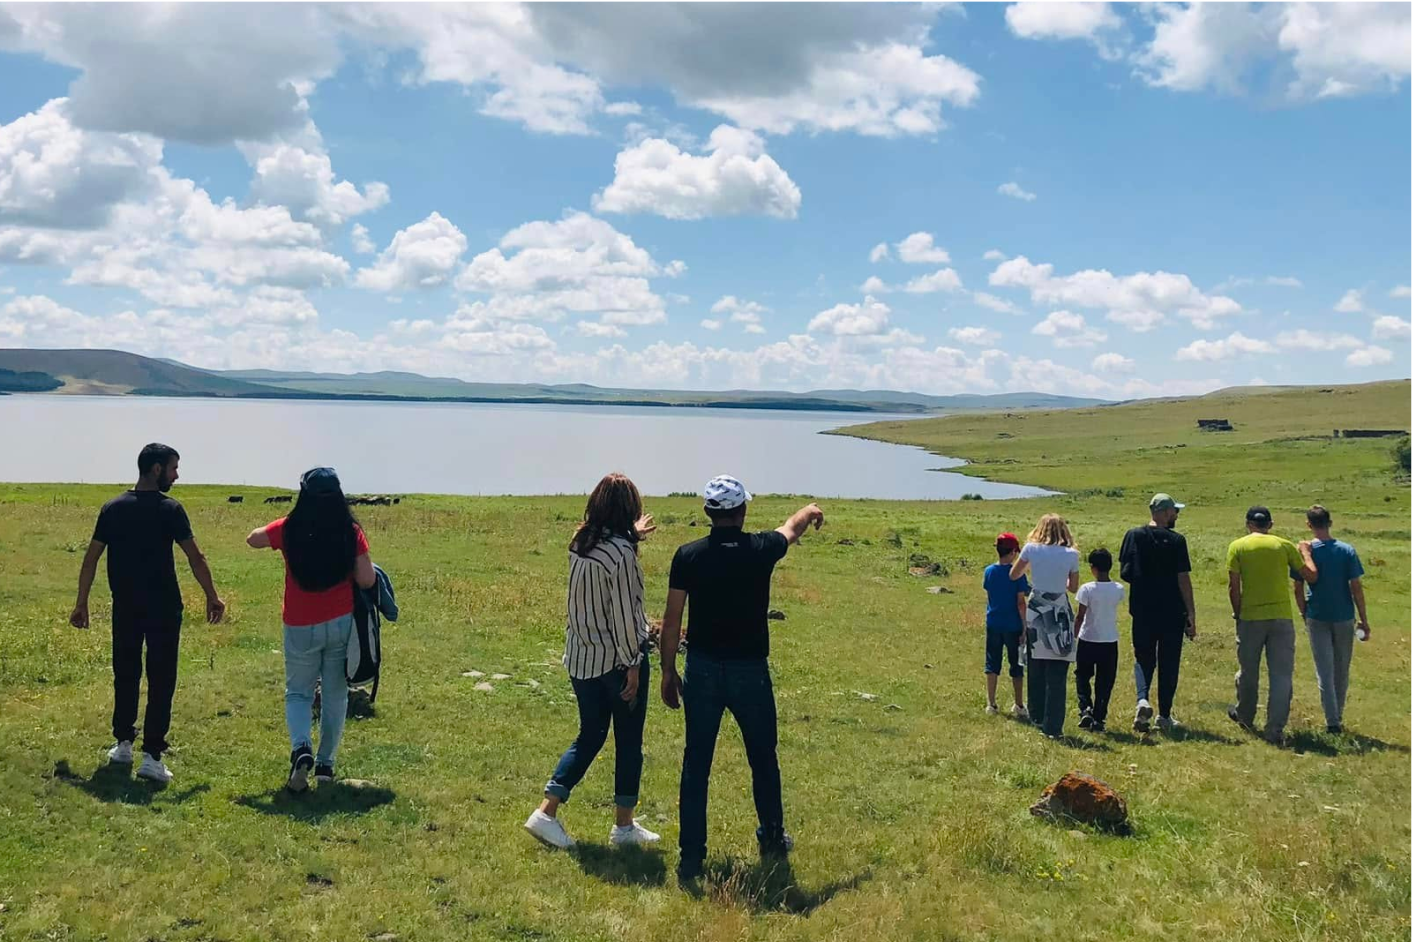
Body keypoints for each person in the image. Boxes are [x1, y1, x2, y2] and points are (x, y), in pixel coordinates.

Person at [659, 475, 824, 882]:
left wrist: (667, 670)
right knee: (763, 757)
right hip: (750, 670)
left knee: (696, 763)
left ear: (707, 512)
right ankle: (772, 837)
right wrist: (809, 511)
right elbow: (791, 529)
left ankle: (691, 857)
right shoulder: (761, 549)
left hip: (702, 669)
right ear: (743, 511)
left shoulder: (688, 556)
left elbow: (672, 619)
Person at [71, 443, 225, 783]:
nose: (176, 475)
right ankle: (152, 756)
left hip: (125, 606)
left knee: (125, 673)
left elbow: (91, 558)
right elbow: (195, 557)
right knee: (161, 678)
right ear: (156, 469)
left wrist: (81, 602)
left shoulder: (113, 508)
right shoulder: (170, 509)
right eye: (173, 468)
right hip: (163, 608)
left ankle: (123, 744)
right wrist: (212, 596)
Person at [525, 473, 661, 850]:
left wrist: (632, 537)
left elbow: (608, 550)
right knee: (629, 742)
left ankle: (548, 810)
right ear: (630, 508)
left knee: (590, 735)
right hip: (616, 662)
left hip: (582, 658)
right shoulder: (622, 555)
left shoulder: (580, 542)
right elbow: (625, 617)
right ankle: (623, 826)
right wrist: (633, 664)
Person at [247, 468, 376, 791]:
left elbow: (253, 539)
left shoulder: (289, 528)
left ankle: (301, 747)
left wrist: (276, 528)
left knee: (299, 692)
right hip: (340, 623)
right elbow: (366, 580)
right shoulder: (350, 532)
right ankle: (325, 766)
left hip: (299, 623)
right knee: (335, 695)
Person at [1226, 506, 1318, 746]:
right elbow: (1310, 576)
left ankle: (1245, 716)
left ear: (1248, 524)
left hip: (1251, 617)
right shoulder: (1284, 545)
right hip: (1281, 617)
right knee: (1281, 675)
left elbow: (1234, 586)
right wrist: (1306, 553)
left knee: (1248, 670)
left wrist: (1238, 612)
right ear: (1270, 525)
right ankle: (1275, 729)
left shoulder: (1237, 546)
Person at [1119, 494, 1196, 734]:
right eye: (1174, 511)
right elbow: (1183, 579)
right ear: (1164, 512)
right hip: (1172, 612)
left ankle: (1142, 699)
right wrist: (1191, 613)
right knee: (1169, 662)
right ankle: (1164, 715)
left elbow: (1125, 571)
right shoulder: (1177, 541)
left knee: (1143, 657)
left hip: (1142, 609)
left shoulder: (1134, 535)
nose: (1176, 515)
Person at [1291, 505, 1369, 734]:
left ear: (1309, 525)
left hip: (1317, 615)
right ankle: (1338, 714)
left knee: (1324, 669)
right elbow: (1356, 587)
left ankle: (1332, 720)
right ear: (1330, 523)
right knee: (1341, 669)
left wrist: (1304, 612)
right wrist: (1363, 619)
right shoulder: (1347, 550)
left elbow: (1297, 587)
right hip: (1344, 615)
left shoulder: (1305, 551)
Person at [1009, 513, 1079, 739]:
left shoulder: (1031, 549)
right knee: (1058, 667)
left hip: (1037, 608)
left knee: (1036, 664)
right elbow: (1073, 587)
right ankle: (1054, 726)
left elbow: (1014, 574)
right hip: (1059, 608)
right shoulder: (1071, 554)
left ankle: (1037, 715)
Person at [1074, 548, 1124, 733]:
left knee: (1082, 676)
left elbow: (1080, 616)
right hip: (1109, 640)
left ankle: (1085, 708)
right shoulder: (1118, 589)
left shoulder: (1087, 589)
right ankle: (1099, 717)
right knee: (1105, 681)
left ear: (1093, 568)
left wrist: (1074, 635)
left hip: (1088, 638)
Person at [981, 533, 1029, 718]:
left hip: (994, 621)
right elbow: (1020, 602)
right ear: (1012, 552)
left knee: (992, 663)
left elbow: (990, 594)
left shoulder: (989, 571)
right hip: (1013, 624)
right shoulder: (1017, 575)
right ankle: (1019, 704)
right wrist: (1024, 626)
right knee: (1016, 665)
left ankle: (991, 703)